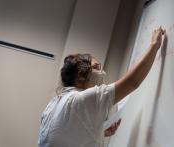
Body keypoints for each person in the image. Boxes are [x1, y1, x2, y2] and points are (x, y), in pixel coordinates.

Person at [38, 27, 166, 147]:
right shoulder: (81, 100)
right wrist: (154, 45)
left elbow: (65, 135)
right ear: (81, 75)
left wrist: (101, 131)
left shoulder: (54, 103)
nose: (102, 72)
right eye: (96, 67)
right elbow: (132, 81)